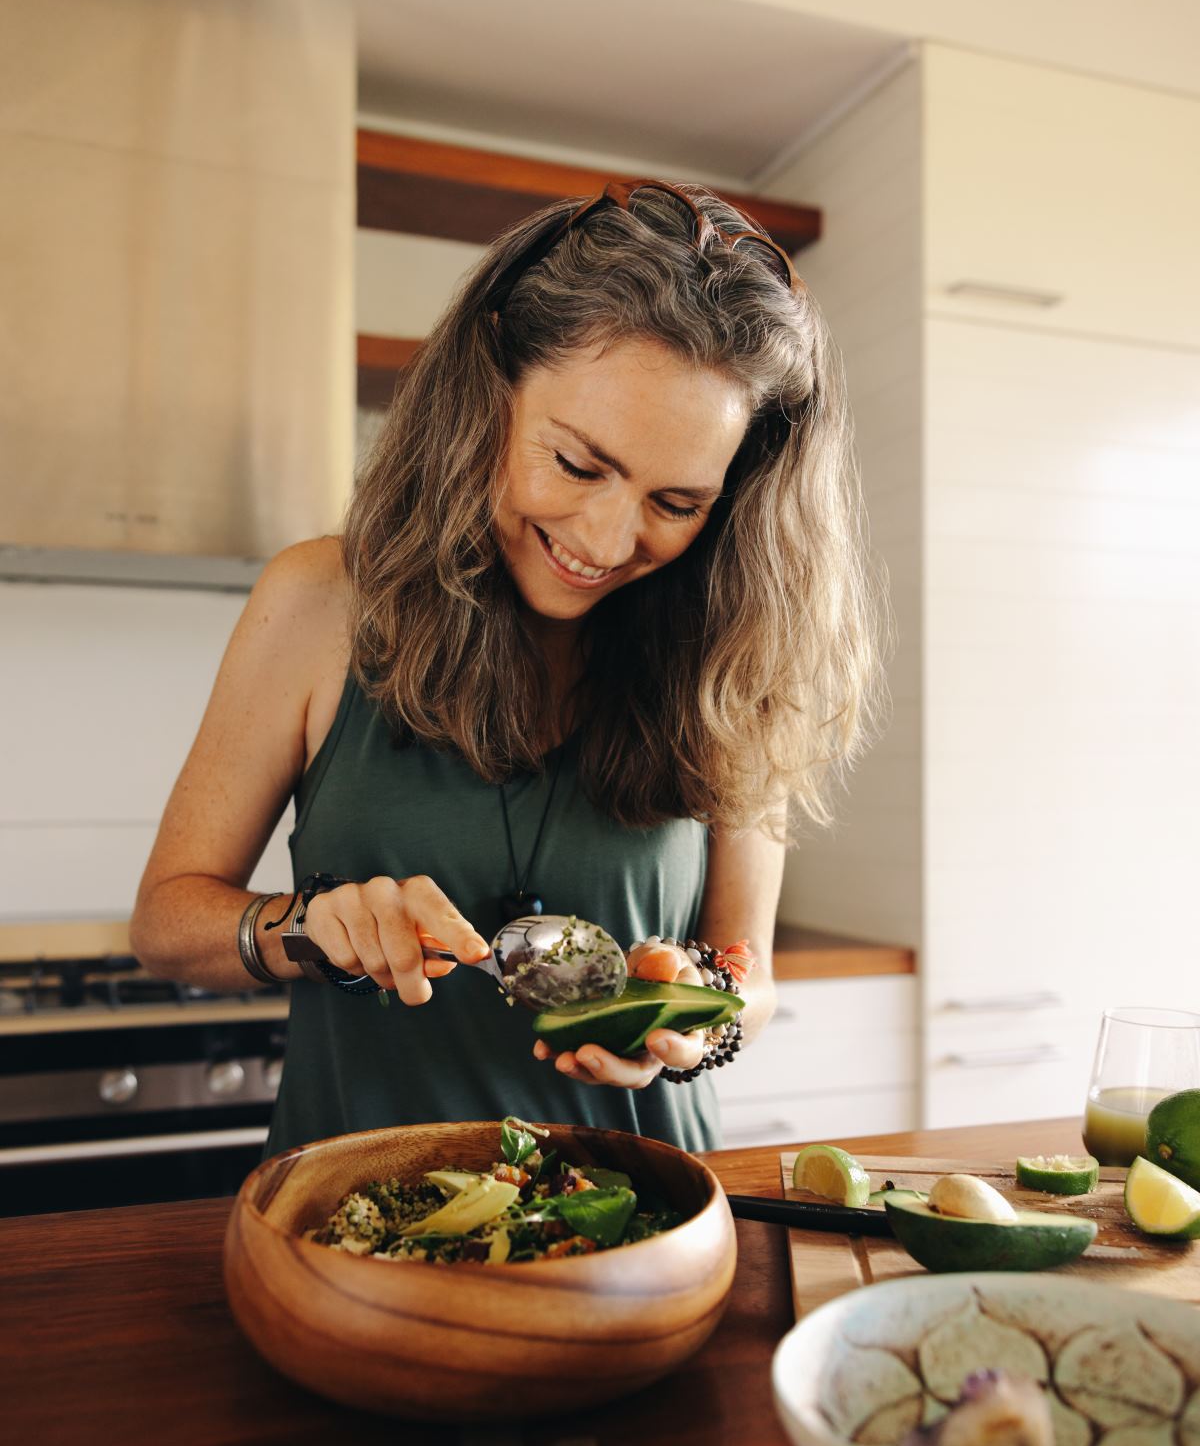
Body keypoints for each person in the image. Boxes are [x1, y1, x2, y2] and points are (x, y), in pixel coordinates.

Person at [131, 180, 880, 1156]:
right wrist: (310, 927)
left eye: (677, 503)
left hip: (646, 1210)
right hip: (360, 1205)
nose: (605, 541)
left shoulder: (734, 650)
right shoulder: (319, 601)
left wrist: (699, 1022)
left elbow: (751, 974)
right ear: (489, 386)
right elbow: (166, 921)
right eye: (577, 464)